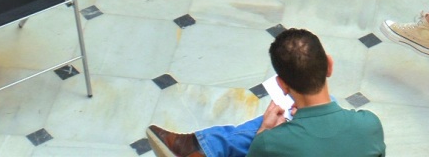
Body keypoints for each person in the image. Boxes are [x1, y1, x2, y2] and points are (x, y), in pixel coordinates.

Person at [146, 28, 384, 157]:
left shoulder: (270, 144)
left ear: (281, 84)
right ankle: (201, 148)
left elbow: (269, 146)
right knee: (325, 104)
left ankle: (204, 148)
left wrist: (264, 133)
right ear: (329, 65)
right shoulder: (369, 123)